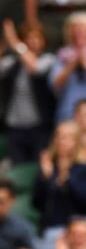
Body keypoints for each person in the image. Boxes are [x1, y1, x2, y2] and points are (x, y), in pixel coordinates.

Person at [31, 119, 86, 249]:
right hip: (52, 230)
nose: (61, 141)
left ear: (77, 142)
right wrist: (46, 178)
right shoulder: (48, 169)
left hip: (79, 230)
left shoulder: (84, 169)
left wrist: (68, 179)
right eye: (58, 136)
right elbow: (36, 203)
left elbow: (85, 201)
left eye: (67, 137)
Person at [0, 19, 55, 163]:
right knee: (18, 169)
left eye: (37, 38)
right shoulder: (12, 62)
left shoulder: (48, 59)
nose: (33, 42)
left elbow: (36, 68)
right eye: (28, 38)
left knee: (39, 168)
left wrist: (15, 43)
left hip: (40, 127)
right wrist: (6, 43)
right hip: (15, 127)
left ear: (44, 41)